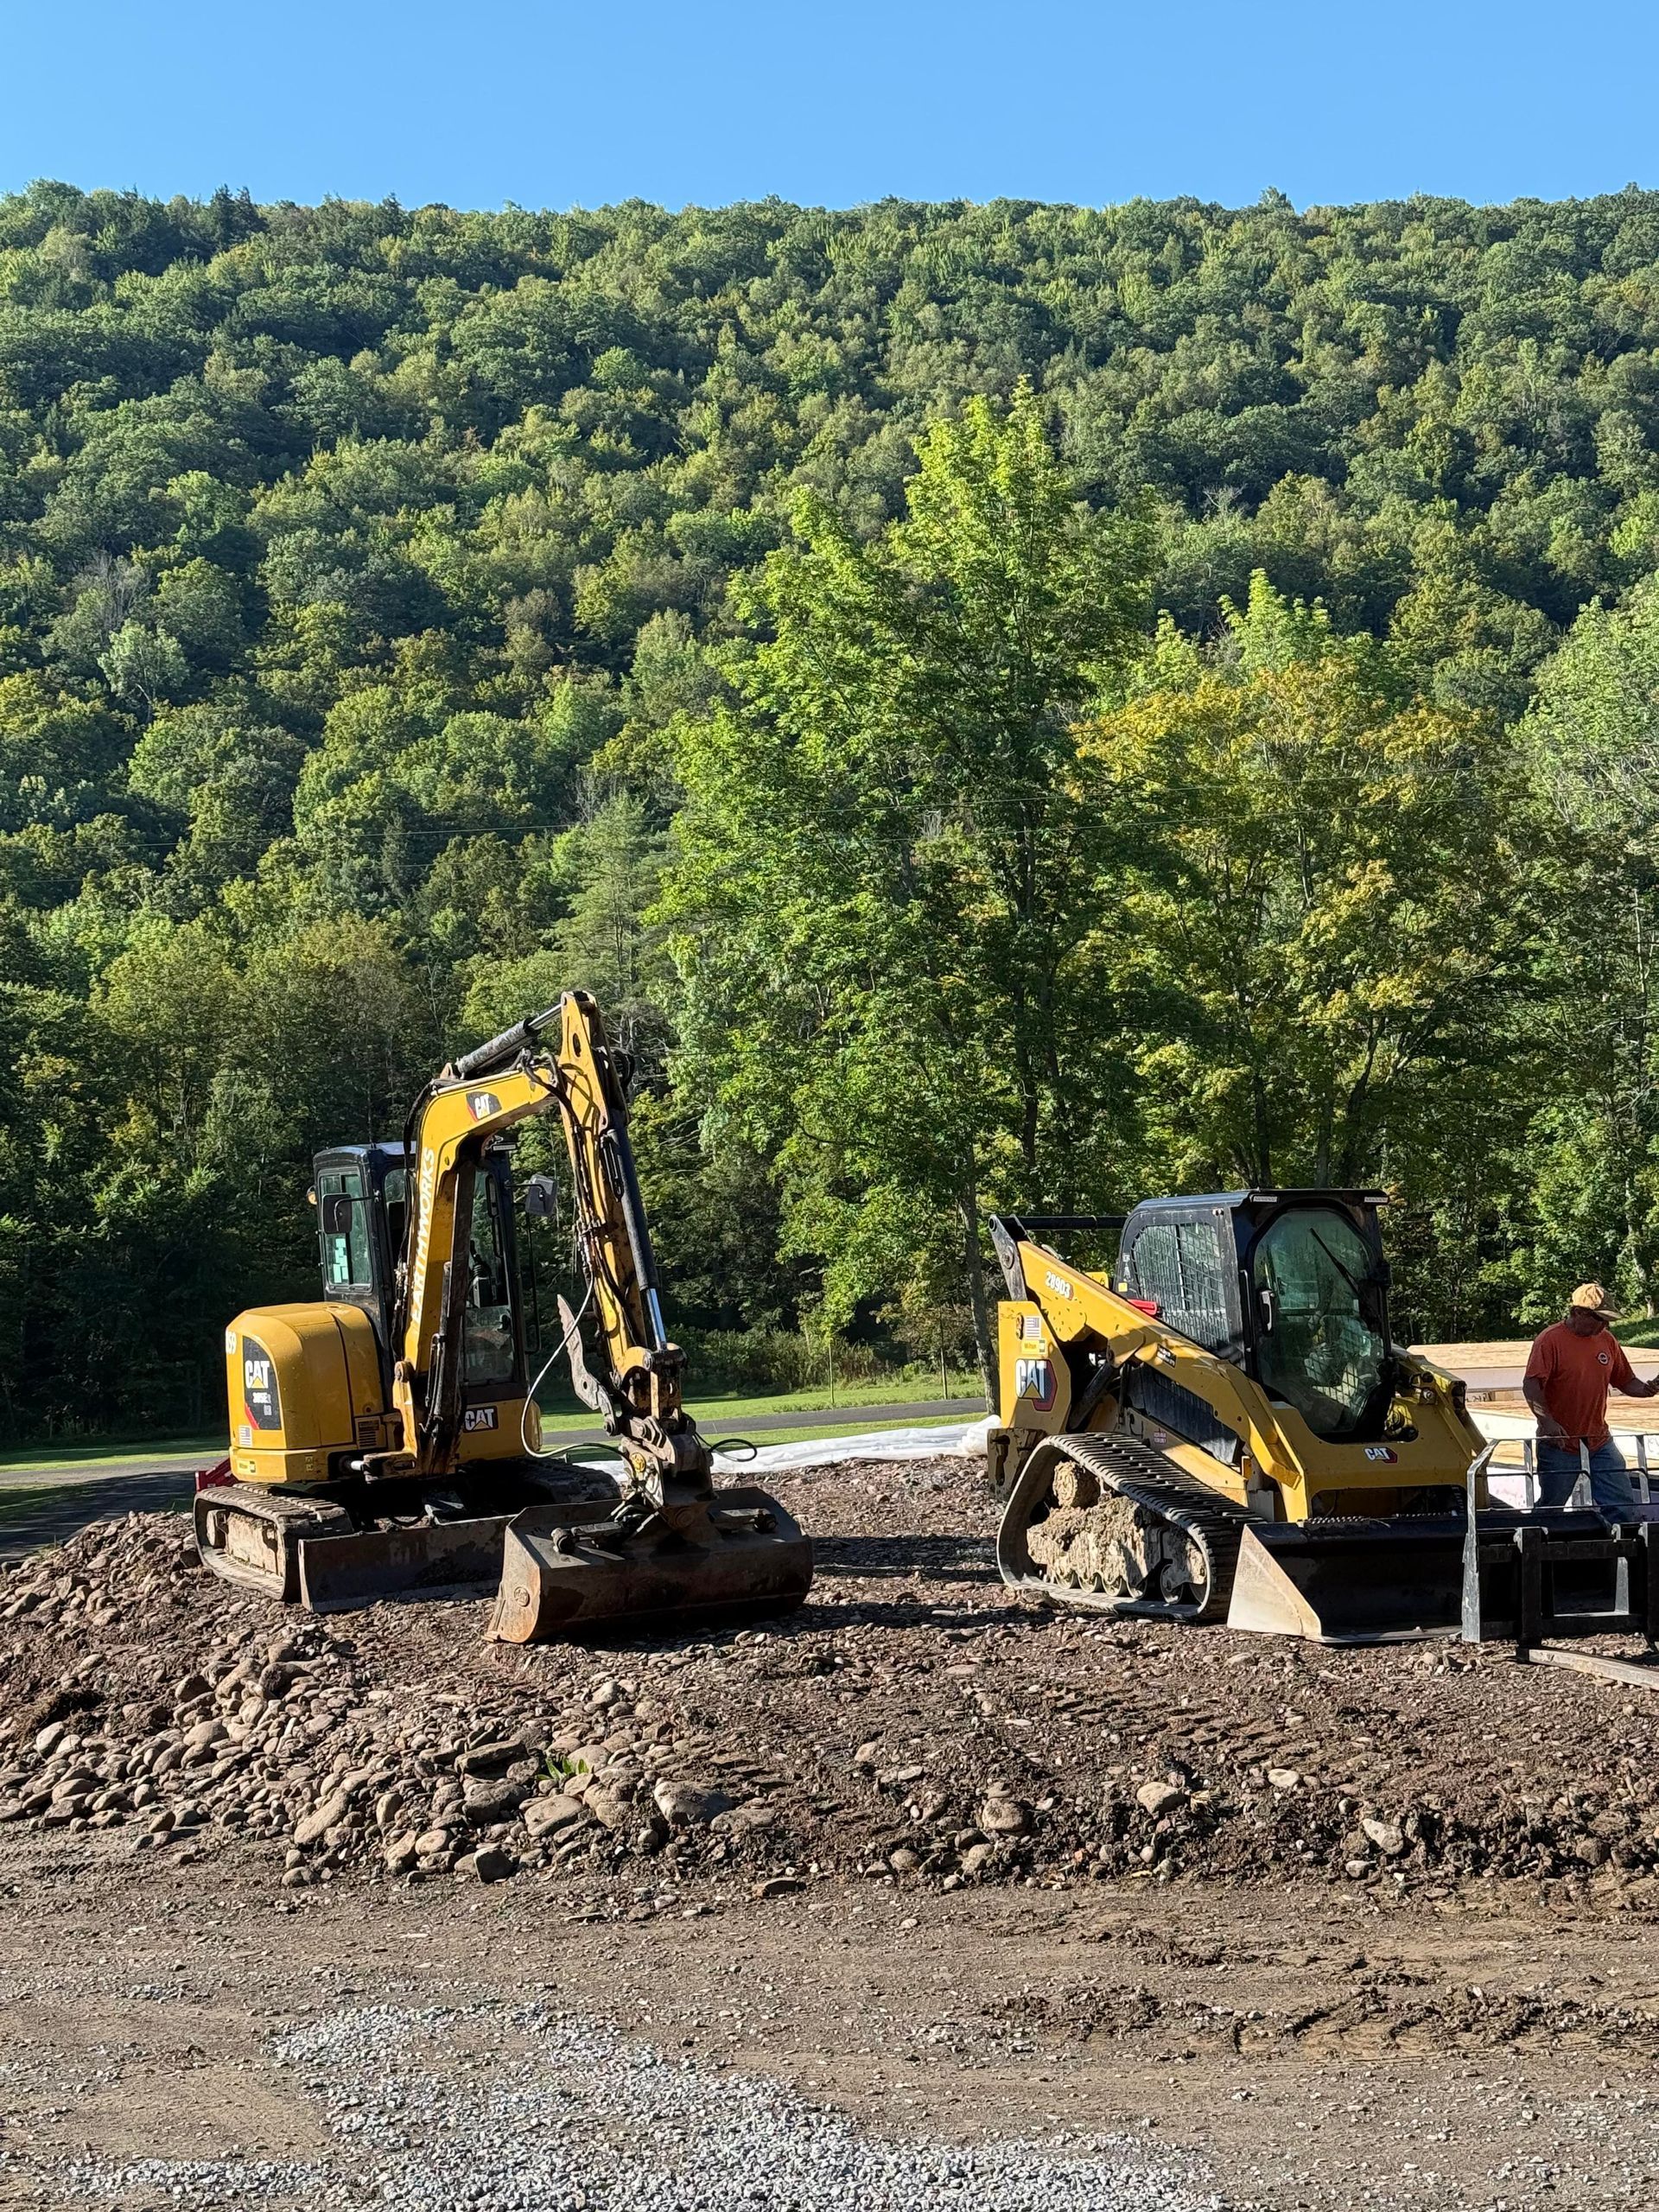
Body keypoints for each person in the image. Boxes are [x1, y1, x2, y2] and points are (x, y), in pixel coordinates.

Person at [1522, 1283, 1659, 1517]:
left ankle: (1622, 1549)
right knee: (1552, 1507)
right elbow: (1531, 1384)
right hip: (1560, 1443)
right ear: (1578, 1313)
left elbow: (1625, 1380)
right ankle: (1539, 1546)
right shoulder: (1550, 1340)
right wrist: (1547, 1422)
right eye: (1600, 1319)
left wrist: (1647, 1389)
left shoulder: (1606, 1340)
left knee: (1621, 1504)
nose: (1605, 1325)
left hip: (1599, 1440)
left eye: (1608, 1320)